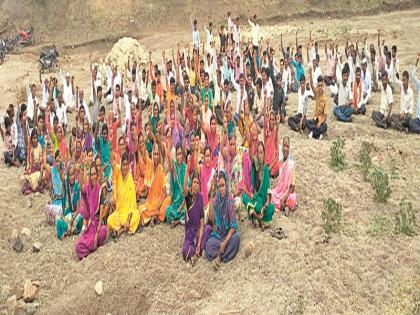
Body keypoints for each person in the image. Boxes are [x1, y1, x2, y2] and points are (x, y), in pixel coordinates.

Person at [206, 171, 240, 269]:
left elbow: (233, 226)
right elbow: (211, 218)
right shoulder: (216, 199)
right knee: (208, 245)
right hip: (219, 234)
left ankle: (220, 256)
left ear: (226, 185)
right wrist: (212, 195)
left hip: (229, 234)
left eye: (223, 185)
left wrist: (225, 243)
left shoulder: (229, 200)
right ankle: (222, 254)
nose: (221, 188)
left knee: (236, 238)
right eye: (219, 186)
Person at [75, 162, 108, 260]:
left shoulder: (100, 190)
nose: (93, 177)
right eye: (91, 174)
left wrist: (97, 233)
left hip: (97, 225)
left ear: (97, 176)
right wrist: (81, 173)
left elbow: (101, 216)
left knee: (104, 230)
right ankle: (91, 246)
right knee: (78, 247)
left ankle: (93, 244)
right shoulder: (88, 187)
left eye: (94, 174)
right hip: (90, 226)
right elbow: (81, 188)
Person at [242, 141, 275, 230]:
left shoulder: (266, 170)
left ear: (264, 154)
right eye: (258, 153)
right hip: (255, 199)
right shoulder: (254, 167)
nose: (260, 155)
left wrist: (265, 206)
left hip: (262, 203)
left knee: (272, 208)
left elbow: (268, 193)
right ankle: (259, 219)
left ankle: (256, 216)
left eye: (261, 153)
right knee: (244, 197)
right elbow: (250, 150)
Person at [182, 170, 212, 265]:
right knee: (184, 250)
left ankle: (197, 250)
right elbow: (184, 187)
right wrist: (187, 168)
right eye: (194, 182)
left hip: (198, 233)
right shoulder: (188, 197)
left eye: (198, 183)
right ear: (191, 184)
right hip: (190, 234)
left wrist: (199, 242)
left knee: (208, 228)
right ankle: (197, 253)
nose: (196, 185)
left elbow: (202, 221)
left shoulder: (200, 197)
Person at [107, 151, 141, 236]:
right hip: (119, 213)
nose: (125, 167)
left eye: (126, 164)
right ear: (121, 165)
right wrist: (110, 146)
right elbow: (113, 162)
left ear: (129, 165)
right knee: (110, 220)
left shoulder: (130, 181)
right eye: (123, 165)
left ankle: (121, 229)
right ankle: (123, 228)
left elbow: (132, 205)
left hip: (128, 215)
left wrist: (128, 220)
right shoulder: (118, 174)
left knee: (136, 216)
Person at [139, 143, 171, 226]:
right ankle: (152, 217)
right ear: (152, 155)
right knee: (140, 209)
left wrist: (158, 205)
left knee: (164, 203)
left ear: (159, 155)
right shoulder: (151, 167)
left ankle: (153, 216)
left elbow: (165, 193)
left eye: (157, 154)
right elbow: (143, 155)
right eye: (154, 154)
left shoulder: (161, 169)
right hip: (151, 200)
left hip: (158, 200)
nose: (156, 156)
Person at [55, 162, 83, 240]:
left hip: (75, 215)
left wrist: (72, 220)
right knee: (57, 219)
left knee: (80, 217)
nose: (71, 177)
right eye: (70, 175)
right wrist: (60, 167)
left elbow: (78, 208)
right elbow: (62, 178)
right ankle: (66, 231)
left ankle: (70, 229)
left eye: (73, 174)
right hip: (69, 214)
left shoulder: (77, 186)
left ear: (75, 174)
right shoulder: (67, 183)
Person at [269, 136, 297, 214]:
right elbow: (275, 175)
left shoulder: (291, 163)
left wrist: (285, 198)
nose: (285, 148)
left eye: (287, 146)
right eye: (284, 146)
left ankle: (283, 205)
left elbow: (293, 187)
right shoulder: (281, 162)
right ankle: (284, 207)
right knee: (270, 193)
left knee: (292, 198)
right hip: (279, 192)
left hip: (287, 193)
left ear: (289, 148)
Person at [166, 144, 188, 227]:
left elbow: (187, 190)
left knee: (185, 213)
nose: (179, 156)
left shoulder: (185, 168)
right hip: (175, 201)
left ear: (182, 155)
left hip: (183, 202)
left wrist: (181, 206)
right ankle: (177, 220)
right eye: (177, 154)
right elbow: (169, 159)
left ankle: (177, 221)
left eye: (180, 154)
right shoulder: (174, 167)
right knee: (168, 211)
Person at [43, 150, 65, 225]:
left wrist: (61, 169)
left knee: (60, 210)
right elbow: (45, 165)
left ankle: (54, 216)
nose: (59, 160)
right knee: (47, 207)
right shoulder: (52, 170)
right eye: (58, 158)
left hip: (62, 201)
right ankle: (53, 215)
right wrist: (44, 151)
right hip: (54, 200)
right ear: (55, 160)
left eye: (61, 158)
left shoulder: (63, 170)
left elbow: (63, 179)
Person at [21, 129, 45, 194]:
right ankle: (34, 188)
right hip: (31, 170)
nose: (35, 140)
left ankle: (32, 188)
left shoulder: (39, 147)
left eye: (36, 138)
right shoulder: (30, 147)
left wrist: (41, 173)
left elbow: (42, 162)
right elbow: (28, 163)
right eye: (33, 138)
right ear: (31, 139)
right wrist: (28, 168)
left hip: (38, 170)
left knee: (37, 177)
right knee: (23, 178)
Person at [307, 69, 328, 140]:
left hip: (321, 121)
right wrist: (310, 74)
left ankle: (313, 132)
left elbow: (325, 116)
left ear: (323, 86)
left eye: (321, 86)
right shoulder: (317, 94)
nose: (320, 88)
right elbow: (312, 84)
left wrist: (320, 123)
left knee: (325, 126)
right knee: (307, 122)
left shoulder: (325, 99)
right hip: (315, 119)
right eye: (319, 86)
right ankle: (319, 133)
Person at [264, 110, 279, 177]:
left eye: (273, 120)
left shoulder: (275, 131)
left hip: (272, 162)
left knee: (277, 168)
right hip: (265, 161)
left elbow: (277, 156)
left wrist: (271, 165)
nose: (271, 121)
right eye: (270, 119)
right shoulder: (266, 132)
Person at [409, 55, 420, 133]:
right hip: (418, 119)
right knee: (411, 123)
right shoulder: (419, 85)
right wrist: (417, 61)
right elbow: (412, 76)